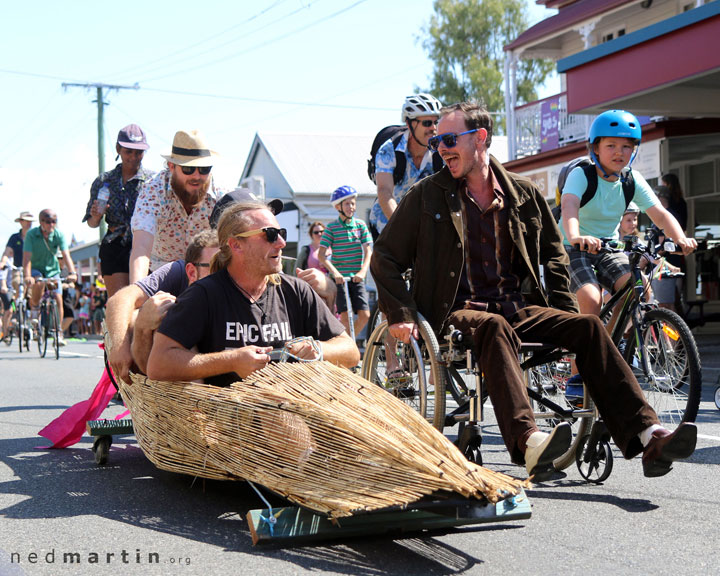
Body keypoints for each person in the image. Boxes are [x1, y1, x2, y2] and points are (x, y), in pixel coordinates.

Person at [371, 101, 697, 479]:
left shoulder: (523, 194)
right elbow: (384, 258)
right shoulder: (427, 195)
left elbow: (554, 257)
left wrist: (563, 314)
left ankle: (649, 434)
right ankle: (528, 441)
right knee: (493, 325)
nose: (440, 148)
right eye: (436, 142)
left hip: (517, 308)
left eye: (448, 139)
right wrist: (402, 315)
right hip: (457, 312)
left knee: (588, 328)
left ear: (479, 138)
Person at [147, 201, 359, 386]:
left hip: (292, 409)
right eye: (270, 235)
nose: (282, 243)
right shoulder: (203, 295)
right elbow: (158, 364)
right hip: (229, 421)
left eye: (281, 233)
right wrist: (230, 360)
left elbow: (351, 351)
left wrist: (318, 349)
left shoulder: (296, 291)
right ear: (236, 245)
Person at [106, 229, 220, 384]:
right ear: (192, 272)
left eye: (228, 265)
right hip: (165, 359)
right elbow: (121, 299)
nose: (224, 274)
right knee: (148, 316)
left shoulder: (239, 282)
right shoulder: (177, 272)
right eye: (216, 266)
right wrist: (120, 346)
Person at [129, 129, 224, 283]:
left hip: (206, 274)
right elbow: (141, 249)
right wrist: (135, 296)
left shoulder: (221, 196)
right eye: (188, 168)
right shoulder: (152, 191)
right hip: (162, 273)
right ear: (171, 166)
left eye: (204, 169)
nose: (197, 176)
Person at [83, 124, 154, 298]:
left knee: (143, 303)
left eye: (139, 152)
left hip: (146, 246)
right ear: (118, 149)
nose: (134, 157)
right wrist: (96, 216)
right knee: (120, 302)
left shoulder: (153, 181)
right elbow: (92, 224)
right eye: (128, 151)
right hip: (115, 246)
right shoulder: (104, 181)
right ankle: (109, 326)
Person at [368, 93, 443, 240]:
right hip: (386, 225)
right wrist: (404, 228)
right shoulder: (389, 149)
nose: (433, 128)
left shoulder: (440, 151)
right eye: (427, 123)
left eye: (436, 122)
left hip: (422, 229)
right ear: (409, 124)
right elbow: (384, 192)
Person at [318, 186, 373, 338]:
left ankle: (346, 341)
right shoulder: (331, 228)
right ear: (338, 206)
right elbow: (321, 255)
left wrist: (362, 271)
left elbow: (369, 251)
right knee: (345, 316)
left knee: (365, 315)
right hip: (340, 279)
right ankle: (348, 348)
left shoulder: (360, 225)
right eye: (347, 204)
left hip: (357, 277)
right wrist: (335, 273)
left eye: (353, 203)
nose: (351, 207)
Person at [23, 209, 77, 345]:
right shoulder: (31, 235)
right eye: (48, 222)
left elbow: (66, 255)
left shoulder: (58, 234)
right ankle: (35, 310)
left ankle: (58, 333)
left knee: (58, 297)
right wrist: (28, 275)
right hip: (36, 268)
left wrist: (72, 272)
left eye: (54, 221)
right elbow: (27, 258)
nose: (51, 224)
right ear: (41, 222)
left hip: (52, 270)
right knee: (39, 284)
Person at [2, 211, 34, 294]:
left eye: (30, 221)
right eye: (26, 220)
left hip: (33, 269)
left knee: (33, 292)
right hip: (18, 269)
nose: (29, 223)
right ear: (20, 222)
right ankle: (18, 304)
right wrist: (2, 263)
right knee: (17, 285)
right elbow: (7, 252)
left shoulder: (35, 237)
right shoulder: (14, 238)